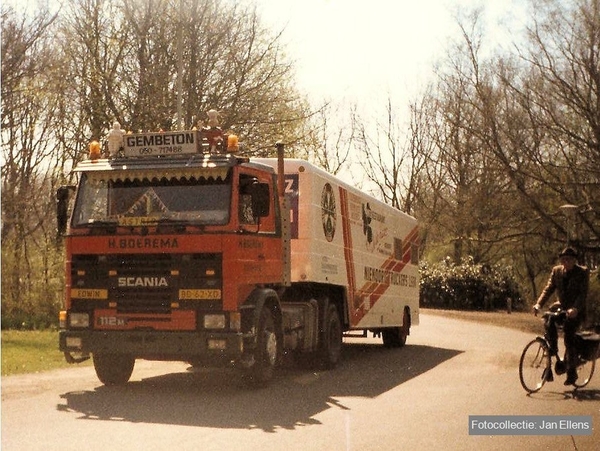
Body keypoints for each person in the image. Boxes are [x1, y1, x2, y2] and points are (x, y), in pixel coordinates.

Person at [533, 247, 589, 385]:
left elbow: (582, 295)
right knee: (549, 321)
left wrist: (575, 308)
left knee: (569, 334)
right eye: (563, 259)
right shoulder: (556, 271)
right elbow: (548, 289)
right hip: (562, 308)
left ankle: (571, 371)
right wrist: (538, 304)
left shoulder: (582, 272)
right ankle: (551, 357)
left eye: (569, 259)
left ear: (574, 260)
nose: (565, 262)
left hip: (577, 311)